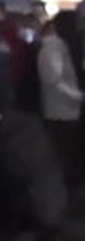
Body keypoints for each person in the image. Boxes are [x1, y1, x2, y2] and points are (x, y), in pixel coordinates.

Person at [37, 12, 83, 193]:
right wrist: (79, 97)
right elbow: (54, 82)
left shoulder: (68, 46)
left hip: (71, 112)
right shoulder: (53, 48)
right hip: (60, 113)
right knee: (61, 157)